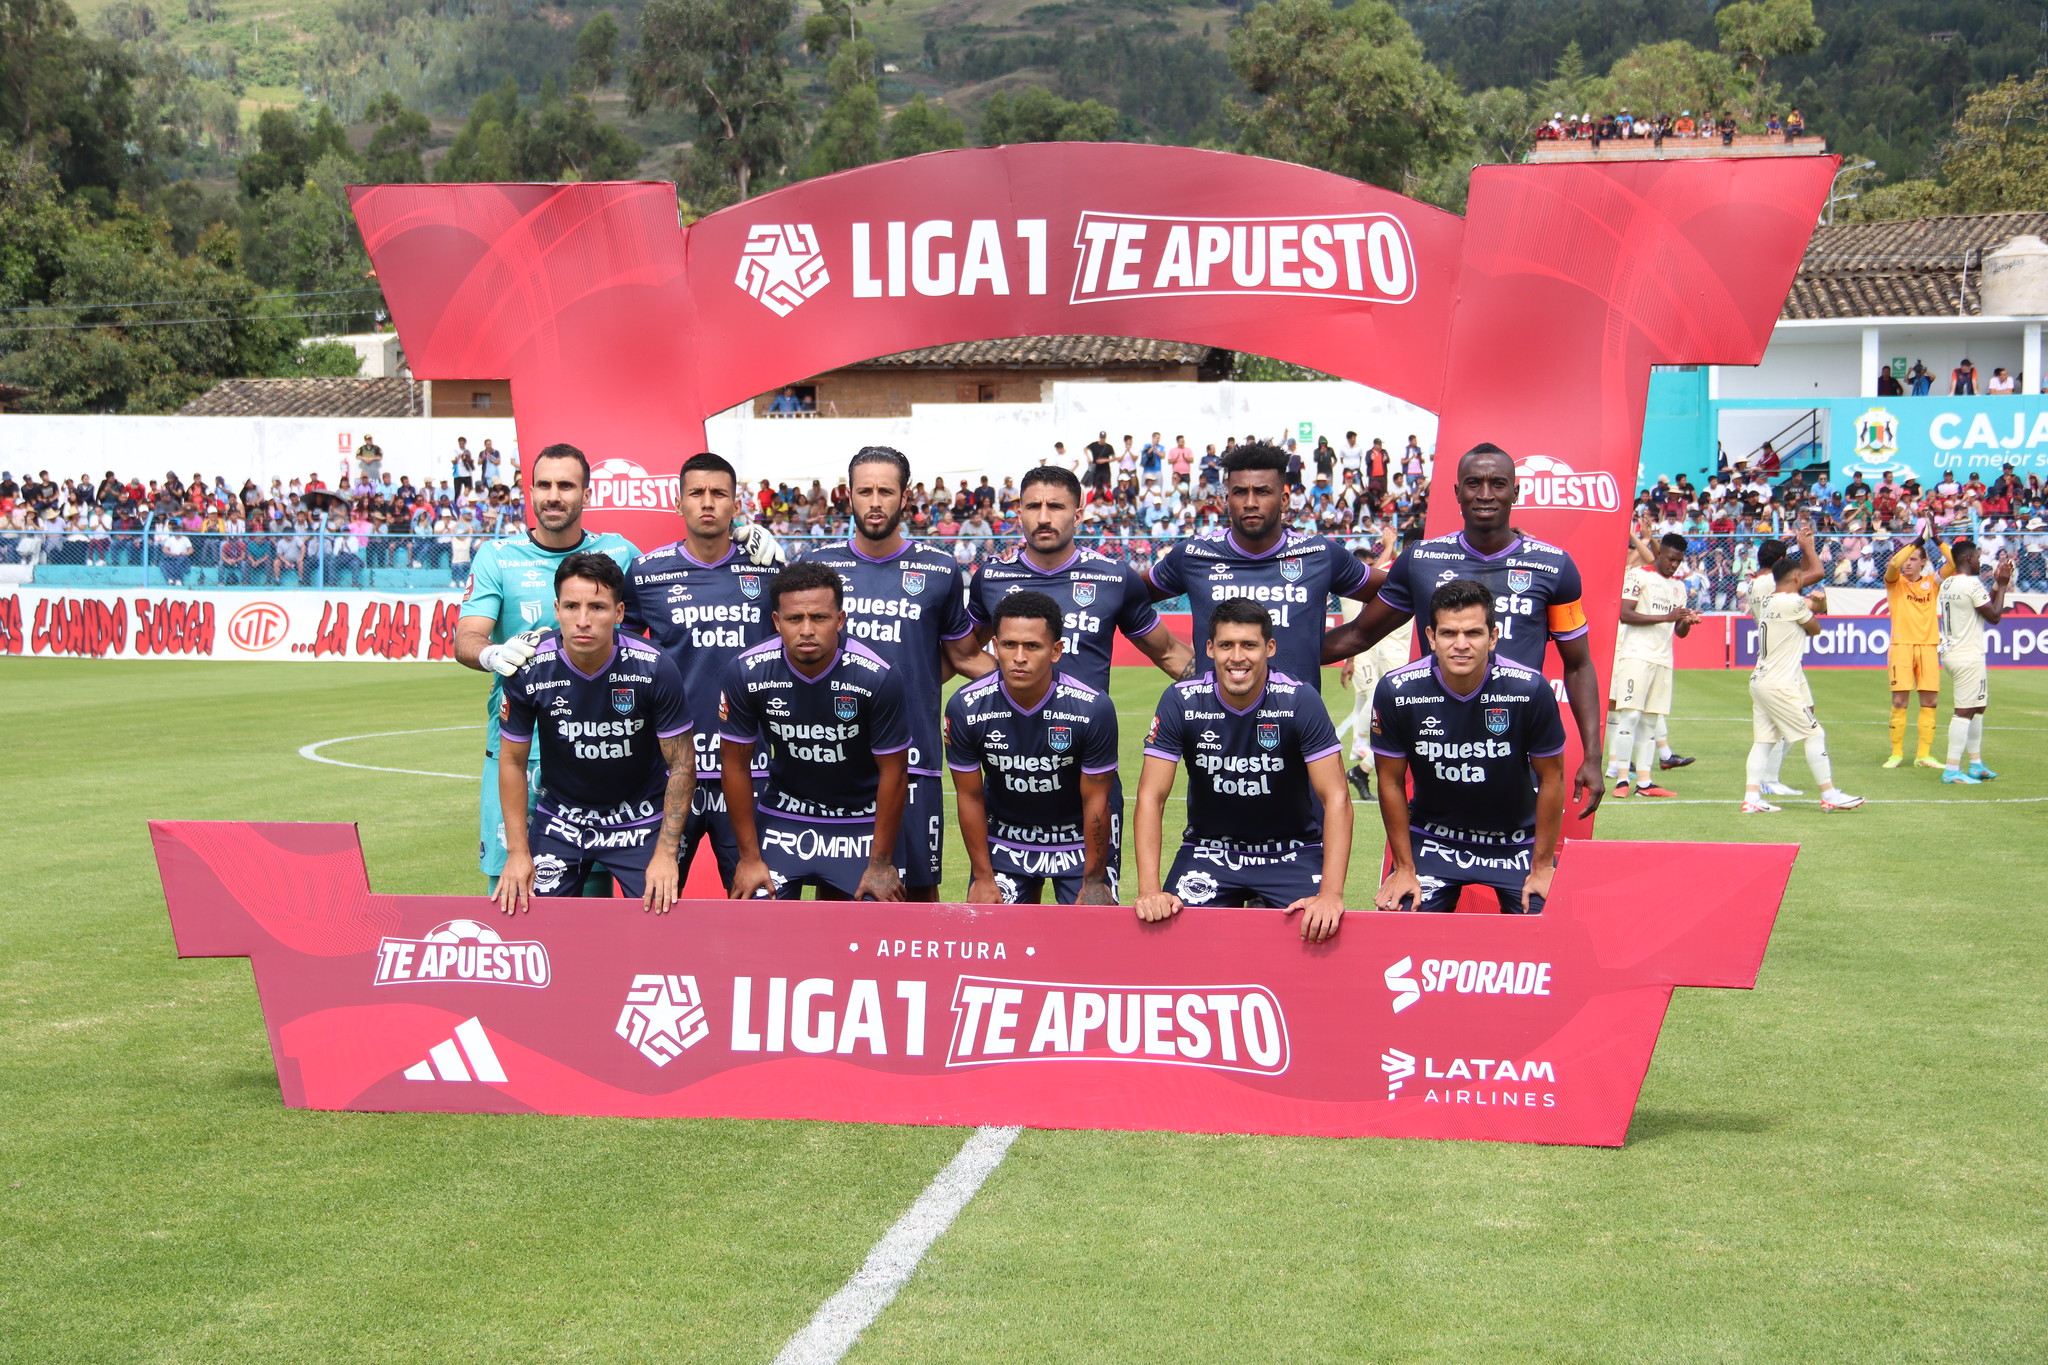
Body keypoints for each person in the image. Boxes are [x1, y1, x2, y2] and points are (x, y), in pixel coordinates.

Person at [1320, 442, 1607, 816]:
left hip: (1517, 744)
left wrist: (1593, 756)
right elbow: (1359, 634)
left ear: (1516, 491)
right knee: (1429, 845)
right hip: (1438, 745)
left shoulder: (1554, 566)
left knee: (1525, 849)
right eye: (1474, 483)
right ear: (1457, 492)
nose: (1485, 494)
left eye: (1498, 483)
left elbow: (1579, 664)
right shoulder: (1421, 561)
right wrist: (1278, 657)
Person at [797, 447, 991, 901]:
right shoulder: (818, 568)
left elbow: (964, 656)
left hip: (914, 761)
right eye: (864, 491)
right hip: (835, 761)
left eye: (886, 491)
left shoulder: (938, 568)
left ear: (905, 497)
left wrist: (1043, 686)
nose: (875, 502)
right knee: (837, 898)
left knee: (918, 898)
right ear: (848, 496)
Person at [455, 443, 638, 889]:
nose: (554, 496)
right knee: (511, 892)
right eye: (544, 485)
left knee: (590, 899)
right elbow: (467, 638)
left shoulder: (621, 553)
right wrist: (492, 654)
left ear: (586, 494)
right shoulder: (498, 556)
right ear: (531, 491)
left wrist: (740, 542)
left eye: (566, 486)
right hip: (517, 748)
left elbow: (681, 592)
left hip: (597, 749)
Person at [1133, 598, 1351, 942]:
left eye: (1249, 645)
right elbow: (1151, 796)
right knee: (1171, 938)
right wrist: (1149, 890)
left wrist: (1331, 894)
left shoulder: (1300, 700)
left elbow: (1337, 797)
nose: (1237, 657)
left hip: (1292, 851)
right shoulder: (1180, 700)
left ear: (1269, 648)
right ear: (1210, 649)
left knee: (1321, 932)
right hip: (1208, 851)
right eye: (1226, 645)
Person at [493, 554, 695, 914]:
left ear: (619, 612)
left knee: (660, 919)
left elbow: (681, 764)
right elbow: (511, 761)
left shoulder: (655, 666)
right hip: (562, 820)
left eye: (597, 607)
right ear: (557, 610)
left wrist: (666, 854)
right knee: (530, 916)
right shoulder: (529, 668)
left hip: (640, 820)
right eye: (572, 606)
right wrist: (517, 852)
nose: (583, 620)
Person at [621, 452, 785, 886]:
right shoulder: (645, 574)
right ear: (678, 503)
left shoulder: (767, 569)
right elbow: (616, 652)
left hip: (751, 767)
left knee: (758, 901)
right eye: (696, 493)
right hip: (671, 770)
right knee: (656, 899)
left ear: (736, 504)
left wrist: (785, 564)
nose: (707, 502)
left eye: (719, 493)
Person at [1370, 580, 1566, 914]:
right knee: (1400, 924)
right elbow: (1390, 781)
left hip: (1516, 841)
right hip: (1433, 838)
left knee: (1549, 924)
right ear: (1431, 637)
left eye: (1473, 633)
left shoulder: (1530, 689)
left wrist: (1543, 865)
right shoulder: (1396, 690)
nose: (1461, 645)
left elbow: (1552, 777)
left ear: (1493, 637)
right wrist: (1403, 866)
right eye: (1449, 633)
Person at [719, 563, 911, 901]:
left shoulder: (877, 676)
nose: (807, 630)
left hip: (862, 820)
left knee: (873, 922)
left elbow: (894, 773)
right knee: (754, 914)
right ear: (777, 621)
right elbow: (735, 765)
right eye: (795, 619)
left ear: (840, 620)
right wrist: (748, 859)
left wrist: (881, 863)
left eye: (819, 618)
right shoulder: (746, 671)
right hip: (784, 815)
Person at [1144, 440, 1375, 695]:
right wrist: (1182, 663)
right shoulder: (1193, 555)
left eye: (1263, 491)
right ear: (1227, 500)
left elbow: (1394, 592)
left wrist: (1322, 647)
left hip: (1296, 718)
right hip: (1212, 718)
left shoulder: (1319, 554)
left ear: (1284, 500)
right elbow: (1126, 593)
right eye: (1240, 492)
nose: (1250, 502)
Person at [946, 591, 1120, 906]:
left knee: (1093, 927)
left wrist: (1095, 880)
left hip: (1077, 837)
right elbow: (969, 796)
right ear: (995, 646)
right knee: (993, 927)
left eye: (1032, 646)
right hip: (1007, 836)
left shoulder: (1093, 708)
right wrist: (983, 878)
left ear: (1055, 651)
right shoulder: (965, 707)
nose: (1019, 657)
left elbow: (1096, 800)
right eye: (1009, 645)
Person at [969, 465, 1192, 690]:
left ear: (1077, 517)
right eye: (1033, 506)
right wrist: (1009, 682)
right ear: (1020, 515)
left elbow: (1169, 653)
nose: (1043, 518)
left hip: (1090, 715)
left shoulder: (1114, 577)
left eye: (1055, 507)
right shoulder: (992, 576)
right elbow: (964, 653)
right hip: (1010, 715)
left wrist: (1211, 687)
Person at [1742, 554, 1864, 813]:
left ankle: (1751, 799)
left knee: (1763, 741)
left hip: (1760, 680)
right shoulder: (1793, 602)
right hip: (1780, 684)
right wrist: (1816, 605)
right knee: (1815, 734)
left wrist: (1813, 605)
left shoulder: (1768, 601)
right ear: (1797, 577)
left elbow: (1807, 614)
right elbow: (1815, 628)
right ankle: (1829, 794)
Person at [1610, 533, 1699, 798]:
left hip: (1663, 659)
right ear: (1659, 554)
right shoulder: (1639, 576)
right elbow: (1625, 614)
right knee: (1630, 716)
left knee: (1650, 721)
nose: (1674, 565)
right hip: (1636, 656)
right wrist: (1668, 617)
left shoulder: (1679, 587)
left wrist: (1686, 621)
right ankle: (1621, 780)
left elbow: (1679, 631)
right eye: (1671, 559)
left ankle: (1645, 784)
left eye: (1679, 561)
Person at [1745, 521, 1823, 798]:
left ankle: (1768, 778)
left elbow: (1800, 577)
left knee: (1806, 709)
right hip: (1781, 659)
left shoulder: (1756, 584)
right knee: (1791, 721)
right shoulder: (1771, 583)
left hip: (1777, 655)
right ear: (1780, 562)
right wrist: (1808, 547)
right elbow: (1817, 572)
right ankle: (1769, 778)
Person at [1937, 539, 2014, 783]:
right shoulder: (1971, 584)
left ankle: (1976, 763)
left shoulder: (1948, 583)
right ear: (1968, 559)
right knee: (1964, 712)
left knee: (1978, 707)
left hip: (1953, 651)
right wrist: (2003, 586)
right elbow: (1994, 616)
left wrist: (1996, 584)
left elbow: (1982, 606)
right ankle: (1951, 769)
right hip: (1967, 655)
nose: (1980, 562)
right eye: (1978, 558)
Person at [1337, 532, 1406, 799]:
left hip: (1366, 648)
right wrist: (1389, 546)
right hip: (1364, 648)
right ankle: (1361, 747)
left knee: (1363, 701)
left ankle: (1360, 751)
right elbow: (1377, 573)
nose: (1371, 568)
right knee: (1374, 699)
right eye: (1366, 565)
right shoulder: (1353, 587)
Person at [1882, 536, 1953, 770]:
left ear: (1924, 562)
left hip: (1928, 646)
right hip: (1901, 646)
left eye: (1913, 559)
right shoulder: (1895, 582)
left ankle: (1924, 755)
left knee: (1930, 701)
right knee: (1900, 700)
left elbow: (1954, 563)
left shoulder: (1932, 582)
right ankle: (1896, 754)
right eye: (1907, 559)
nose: (1908, 563)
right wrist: (1917, 540)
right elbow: (1894, 563)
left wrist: (1937, 539)